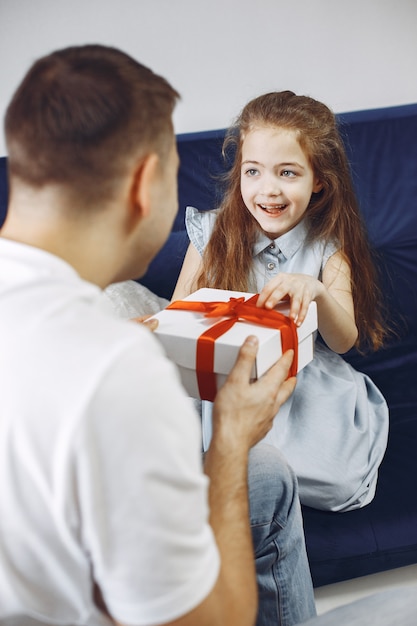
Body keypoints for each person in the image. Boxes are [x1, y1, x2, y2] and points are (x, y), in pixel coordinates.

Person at [0, 45, 317, 626]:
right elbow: (214, 620)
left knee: (267, 479)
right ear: (146, 182)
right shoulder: (116, 371)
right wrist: (229, 439)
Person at [172, 90, 390, 512]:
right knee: (193, 466)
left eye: (288, 173)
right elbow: (178, 309)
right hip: (226, 382)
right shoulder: (214, 232)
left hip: (298, 381)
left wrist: (319, 293)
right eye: (253, 171)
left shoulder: (328, 244)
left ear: (319, 180)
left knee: (337, 483)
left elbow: (344, 340)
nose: (267, 190)